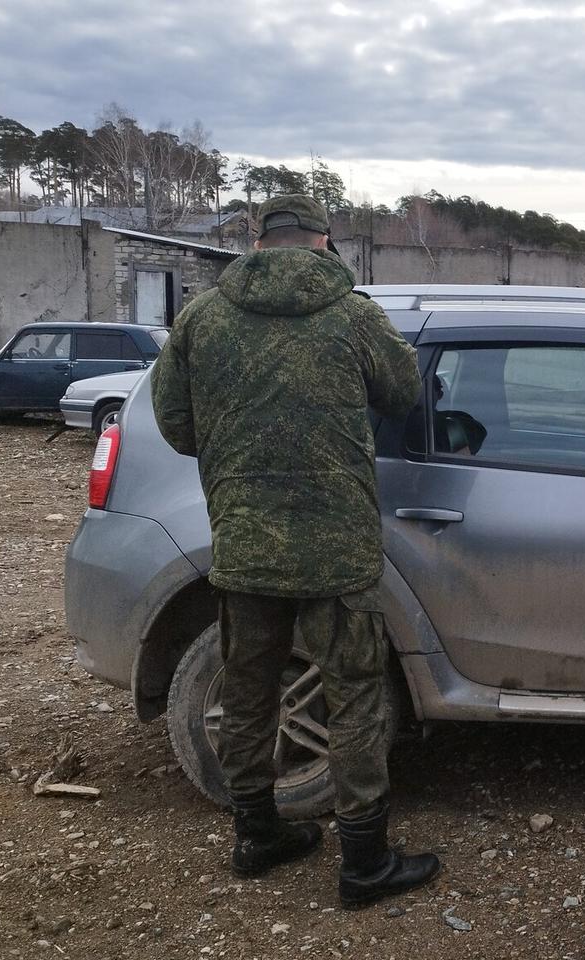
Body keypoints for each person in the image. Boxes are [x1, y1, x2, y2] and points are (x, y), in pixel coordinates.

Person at [151, 194, 440, 908]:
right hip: (335, 550)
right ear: (324, 240)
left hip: (245, 543)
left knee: (249, 693)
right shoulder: (353, 314)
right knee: (355, 698)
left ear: (256, 239)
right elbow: (404, 392)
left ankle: (256, 835)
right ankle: (364, 861)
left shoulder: (202, 318)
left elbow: (176, 425)